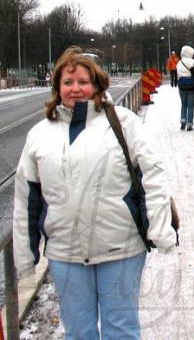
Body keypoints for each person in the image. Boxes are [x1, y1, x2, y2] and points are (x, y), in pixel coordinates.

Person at [13, 47, 177, 339]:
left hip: (121, 248)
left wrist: (160, 229)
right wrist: (25, 255)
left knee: (121, 330)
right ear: (57, 87)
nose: (75, 89)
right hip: (66, 253)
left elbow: (153, 174)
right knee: (78, 333)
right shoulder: (39, 134)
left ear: (97, 85)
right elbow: (27, 197)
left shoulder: (123, 122)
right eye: (68, 82)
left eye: (83, 82)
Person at [176, 45, 194, 131]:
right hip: (192, 87)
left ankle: (183, 121)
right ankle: (189, 124)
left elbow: (178, 75)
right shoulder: (193, 62)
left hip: (181, 87)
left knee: (183, 105)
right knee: (191, 106)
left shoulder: (179, 63)